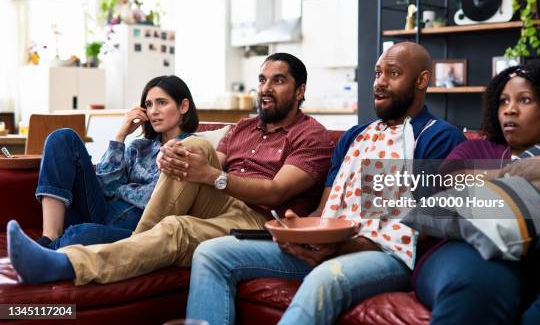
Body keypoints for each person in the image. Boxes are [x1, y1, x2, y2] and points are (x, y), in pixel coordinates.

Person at [185, 42, 466, 325]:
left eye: (392, 74)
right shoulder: (355, 137)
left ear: (422, 80)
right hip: (332, 245)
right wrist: (301, 230)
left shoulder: (439, 137)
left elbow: (427, 226)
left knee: (325, 278)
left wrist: (344, 248)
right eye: (377, 73)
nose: (379, 83)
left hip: (386, 254)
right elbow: (325, 211)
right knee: (212, 253)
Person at [7, 53, 334, 286]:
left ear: (300, 90)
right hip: (219, 200)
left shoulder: (311, 135)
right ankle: (56, 242)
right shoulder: (243, 127)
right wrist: (174, 161)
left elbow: (276, 192)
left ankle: (130, 244)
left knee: (171, 218)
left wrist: (209, 174)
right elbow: (211, 164)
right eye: (262, 80)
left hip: (260, 216)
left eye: (278, 81)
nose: (266, 88)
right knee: (66, 139)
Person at [413, 60, 540, 324]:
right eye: (504, 102)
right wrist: (523, 175)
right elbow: (451, 180)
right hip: (470, 249)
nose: (510, 111)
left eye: (525, 100)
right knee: (481, 284)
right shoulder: (478, 150)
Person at [35, 75, 198, 249]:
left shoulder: (194, 147)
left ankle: (46, 250)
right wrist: (120, 136)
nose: (153, 111)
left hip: (137, 228)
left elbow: (162, 201)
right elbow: (105, 187)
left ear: (183, 106)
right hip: (104, 211)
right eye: (149, 104)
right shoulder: (138, 147)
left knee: (80, 235)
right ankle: (50, 237)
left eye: (162, 103)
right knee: (62, 137)